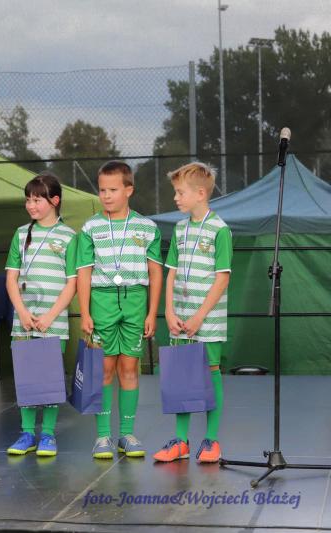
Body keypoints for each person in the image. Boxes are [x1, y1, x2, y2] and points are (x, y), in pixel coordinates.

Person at [76, 161, 162, 459]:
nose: (106, 195)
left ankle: (127, 433)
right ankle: (103, 436)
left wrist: (151, 312)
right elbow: (84, 273)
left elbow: (155, 273)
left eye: (113, 190)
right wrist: (85, 312)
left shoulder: (147, 227)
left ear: (129, 190)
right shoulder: (90, 227)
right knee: (104, 369)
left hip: (135, 301)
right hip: (102, 301)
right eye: (102, 190)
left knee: (129, 368)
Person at [153, 162, 231, 464]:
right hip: (181, 320)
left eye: (180, 192)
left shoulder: (220, 230)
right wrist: (169, 311)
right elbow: (171, 272)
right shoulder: (180, 228)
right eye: (175, 192)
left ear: (200, 193)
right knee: (181, 378)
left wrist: (200, 316)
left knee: (211, 374)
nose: (175, 198)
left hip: (207, 321)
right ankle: (181, 441)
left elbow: (222, 278)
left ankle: (211, 441)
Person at [4, 174, 78, 457]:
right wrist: (22, 312)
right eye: (28, 200)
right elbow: (11, 279)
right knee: (26, 378)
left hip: (52, 322)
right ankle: (26, 433)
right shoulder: (21, 233)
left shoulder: (69, 236)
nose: (31, 205)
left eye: (37, 200)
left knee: (49, 379)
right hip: (23, 322)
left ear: (54, 200)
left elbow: (72, 283)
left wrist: (50, 316)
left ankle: (47, 434)